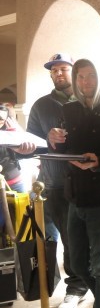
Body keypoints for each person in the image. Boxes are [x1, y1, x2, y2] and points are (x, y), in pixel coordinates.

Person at [48, 58, 100, 308]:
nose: (85, 81)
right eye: (80, 76)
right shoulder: (69, 110)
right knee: (79, 264)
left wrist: (99, 161)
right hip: (74, 196)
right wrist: (53, 139)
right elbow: (62, 148)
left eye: (90, 75)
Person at [26, 53, 91, 308]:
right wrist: (44, 138)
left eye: (63, 69)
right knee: (69, 238)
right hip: (55, 183)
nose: (58, 74)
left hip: (90, 181)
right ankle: (76, 288)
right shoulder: (40, 105)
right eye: (54, 71)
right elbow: (30, 145)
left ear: (74, 72)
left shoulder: (89, 99)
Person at [0, 103, 35, 242]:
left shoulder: (10, 133)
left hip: (15, 182)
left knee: (22, 219)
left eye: (1, 119)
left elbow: (26, 150)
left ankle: (22, 249)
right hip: (3, 185)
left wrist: (14, 132)